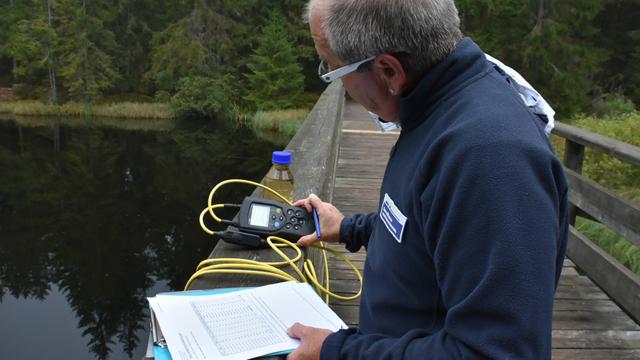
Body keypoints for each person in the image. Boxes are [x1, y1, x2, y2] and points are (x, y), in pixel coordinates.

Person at [287, 0, 569, 359]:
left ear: (389, 71)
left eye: (333, 69)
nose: (336, 81)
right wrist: (348, 228)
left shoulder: (489, 158)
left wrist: (338, 352)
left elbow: (497, 352)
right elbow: (424, 227)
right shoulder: (436, 107)